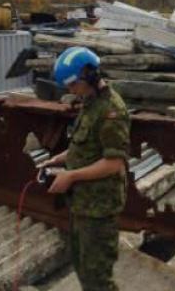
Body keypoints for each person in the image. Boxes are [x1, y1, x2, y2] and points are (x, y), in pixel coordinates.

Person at [41, 46, 130, 291]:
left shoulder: (112, 111)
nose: (70, 92)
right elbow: (86, 147)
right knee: (83, 269)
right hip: (83, 204)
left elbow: (114, 163)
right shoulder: (90, 102)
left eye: (72, 85)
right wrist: (58, 160)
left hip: (99, 210)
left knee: (98, 280)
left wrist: (70, 176)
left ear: (89, 76)